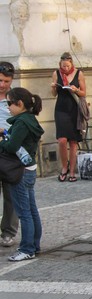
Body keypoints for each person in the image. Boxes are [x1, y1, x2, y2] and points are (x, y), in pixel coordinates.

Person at [0, 87, 44, 261]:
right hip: (29, 168)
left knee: (24, 211)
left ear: (19, 104)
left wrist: (3, 141)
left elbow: (11, 146)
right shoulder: (30, 119)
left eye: (9, 103)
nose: (8, 107)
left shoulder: (21, 122)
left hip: (19, 170)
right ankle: (34, 245)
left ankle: (27, 249)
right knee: (31, 210)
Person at [51, 52, 86, 182]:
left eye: (67, 66)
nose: (65, 69)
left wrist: (75, 90)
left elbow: (83, 93)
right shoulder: (56, 73)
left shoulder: (79, 73)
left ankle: (72, 171)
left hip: (74, 109)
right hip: (61, 109)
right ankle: (64, 167)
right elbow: (54, 94)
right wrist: (53, 87)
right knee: (61, 140)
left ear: (71, 64)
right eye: (63, 66)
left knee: (73, 141)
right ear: (60, 64)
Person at [0, 62, 19, 247]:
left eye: (6, 81)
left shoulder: (16, 97)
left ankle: (8, 231)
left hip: (10, 150)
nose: (2, 84)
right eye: (0, 80)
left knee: (11, 193)